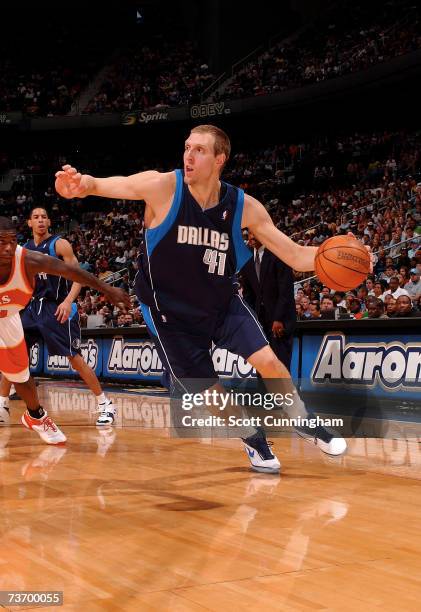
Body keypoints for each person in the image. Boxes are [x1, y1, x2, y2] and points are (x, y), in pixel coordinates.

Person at [55, 124, 353, 473]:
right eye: (187, 147)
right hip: (169, 314)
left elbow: (295, 255)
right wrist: (83, 185)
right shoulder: (164, 186)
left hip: (221, 304)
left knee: (270, 362)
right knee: (209, 393)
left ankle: (302, 419)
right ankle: (252, 437)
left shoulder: (243, 206)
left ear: (219, 159)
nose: (189, 155)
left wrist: (337, 255)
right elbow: (112, 184)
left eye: (199, 150)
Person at [0, 216, 130, 442]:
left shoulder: (33, 256)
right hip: (29, 309)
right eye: (2, 242)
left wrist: (106, 288)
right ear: (30, 222)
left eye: (12, 240)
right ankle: (3, 405)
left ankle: (39, 416)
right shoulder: (31, 248)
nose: (9, 247)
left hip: (38, 310)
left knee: (22, 372)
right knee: (12, 369)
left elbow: (72, 272)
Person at [241, 231, 296, 370]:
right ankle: (263, 392)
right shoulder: (246, 259)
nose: (251, 237)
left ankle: (282, 393)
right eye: (249, 234)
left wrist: (278, 318)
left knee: (280, 363)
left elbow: (286, 290)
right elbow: (248, 294)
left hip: (279, 321)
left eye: (255, 234)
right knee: (262, 366)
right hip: (260, 321)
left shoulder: (278, 253)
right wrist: (252, 319)